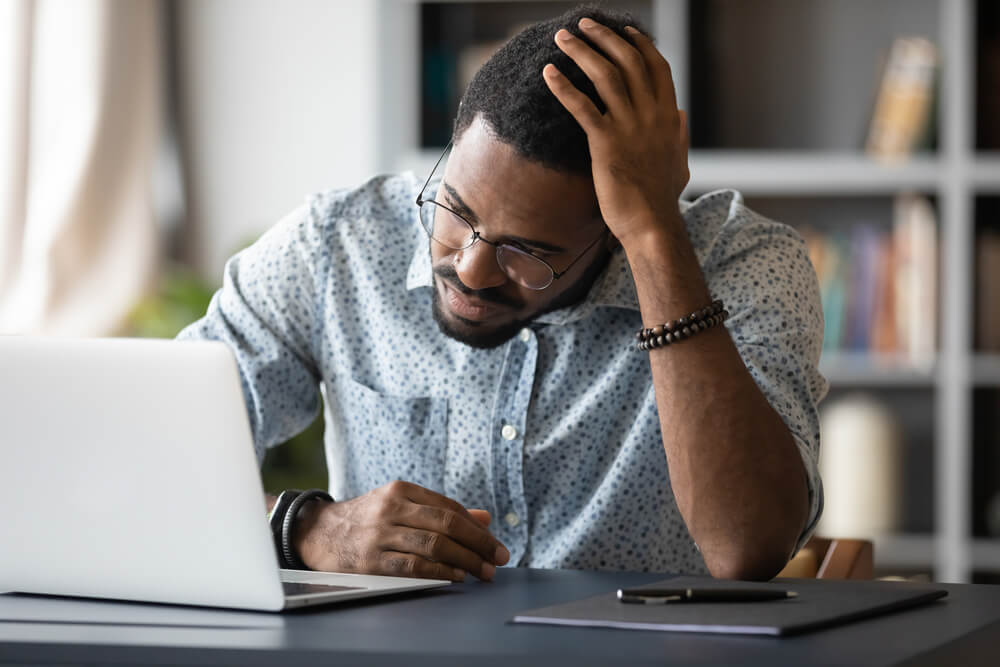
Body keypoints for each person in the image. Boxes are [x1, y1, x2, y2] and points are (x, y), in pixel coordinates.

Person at [178, 5, 827, 582]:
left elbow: (744, 546)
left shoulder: (742, 262)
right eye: (453, 209)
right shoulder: (334, 246)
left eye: (530, 252)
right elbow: (143, 462)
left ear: (614, 229)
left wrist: (656, 235)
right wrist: (310, 529)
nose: (472, 268)